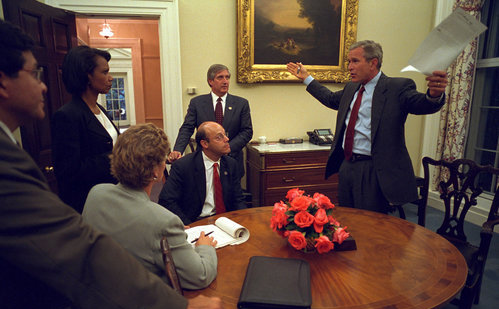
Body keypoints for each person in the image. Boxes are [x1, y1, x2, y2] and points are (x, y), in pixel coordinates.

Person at [0, 15, 228, 309]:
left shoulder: (99, 124)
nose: (43, 85)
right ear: (0, 82)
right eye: (34, 73)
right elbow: (79, 245)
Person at [83, 123, 218, 309]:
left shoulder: (96, 194)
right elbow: (199, 276)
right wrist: (205, 248)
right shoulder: (162, 220)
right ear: (156, 171)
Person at [286, 40, 448, 213]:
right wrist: (306, 78)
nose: (349, 67)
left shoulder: (396, 88)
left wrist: (434, 95)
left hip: (373, 170)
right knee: (347, 218)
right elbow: (330, 99)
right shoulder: (352, 88)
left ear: (373, 63)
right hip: (347, 166)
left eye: (355, 61)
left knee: (371, 224)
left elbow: (422, 104)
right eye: (349, 62)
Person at [51, 45, 119, 213]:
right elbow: (68, 171)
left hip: (112, 197)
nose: (110, 78)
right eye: (104, 72)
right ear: (87, 76)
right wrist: (115, 156)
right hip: (88, 204)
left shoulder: (100, 109)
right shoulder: (67, 115)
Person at [168, 64, 253, 176]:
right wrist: (178, 150)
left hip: (232, 160)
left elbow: (247, 131)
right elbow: (187, 128)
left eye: (227, 77)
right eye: (220, 77)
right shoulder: (197, 103)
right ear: (210, 81)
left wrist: (226, 148)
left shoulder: (241, 103)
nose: (225, 81)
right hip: (203, 161)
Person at [160, 121, 247, 225]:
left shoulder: (231, 164)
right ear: (205, 144)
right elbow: (167, 201)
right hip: (195, 221)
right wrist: (188, 226)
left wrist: (242, 221)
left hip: (225, 221)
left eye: (225, 135)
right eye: (219, 137)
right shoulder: (184, 166)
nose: (227, 139)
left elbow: (238, 199)